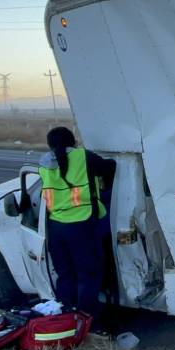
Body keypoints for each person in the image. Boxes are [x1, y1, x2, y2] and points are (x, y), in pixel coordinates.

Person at [38, 126, 116, 329]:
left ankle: (65, 319)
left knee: (65, 276)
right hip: (82, 225)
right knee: (88, 275)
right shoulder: (83, 156)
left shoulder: (44, 164)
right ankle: (88, 321)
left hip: (56, 228)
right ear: (72, 141)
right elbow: (109, 168)